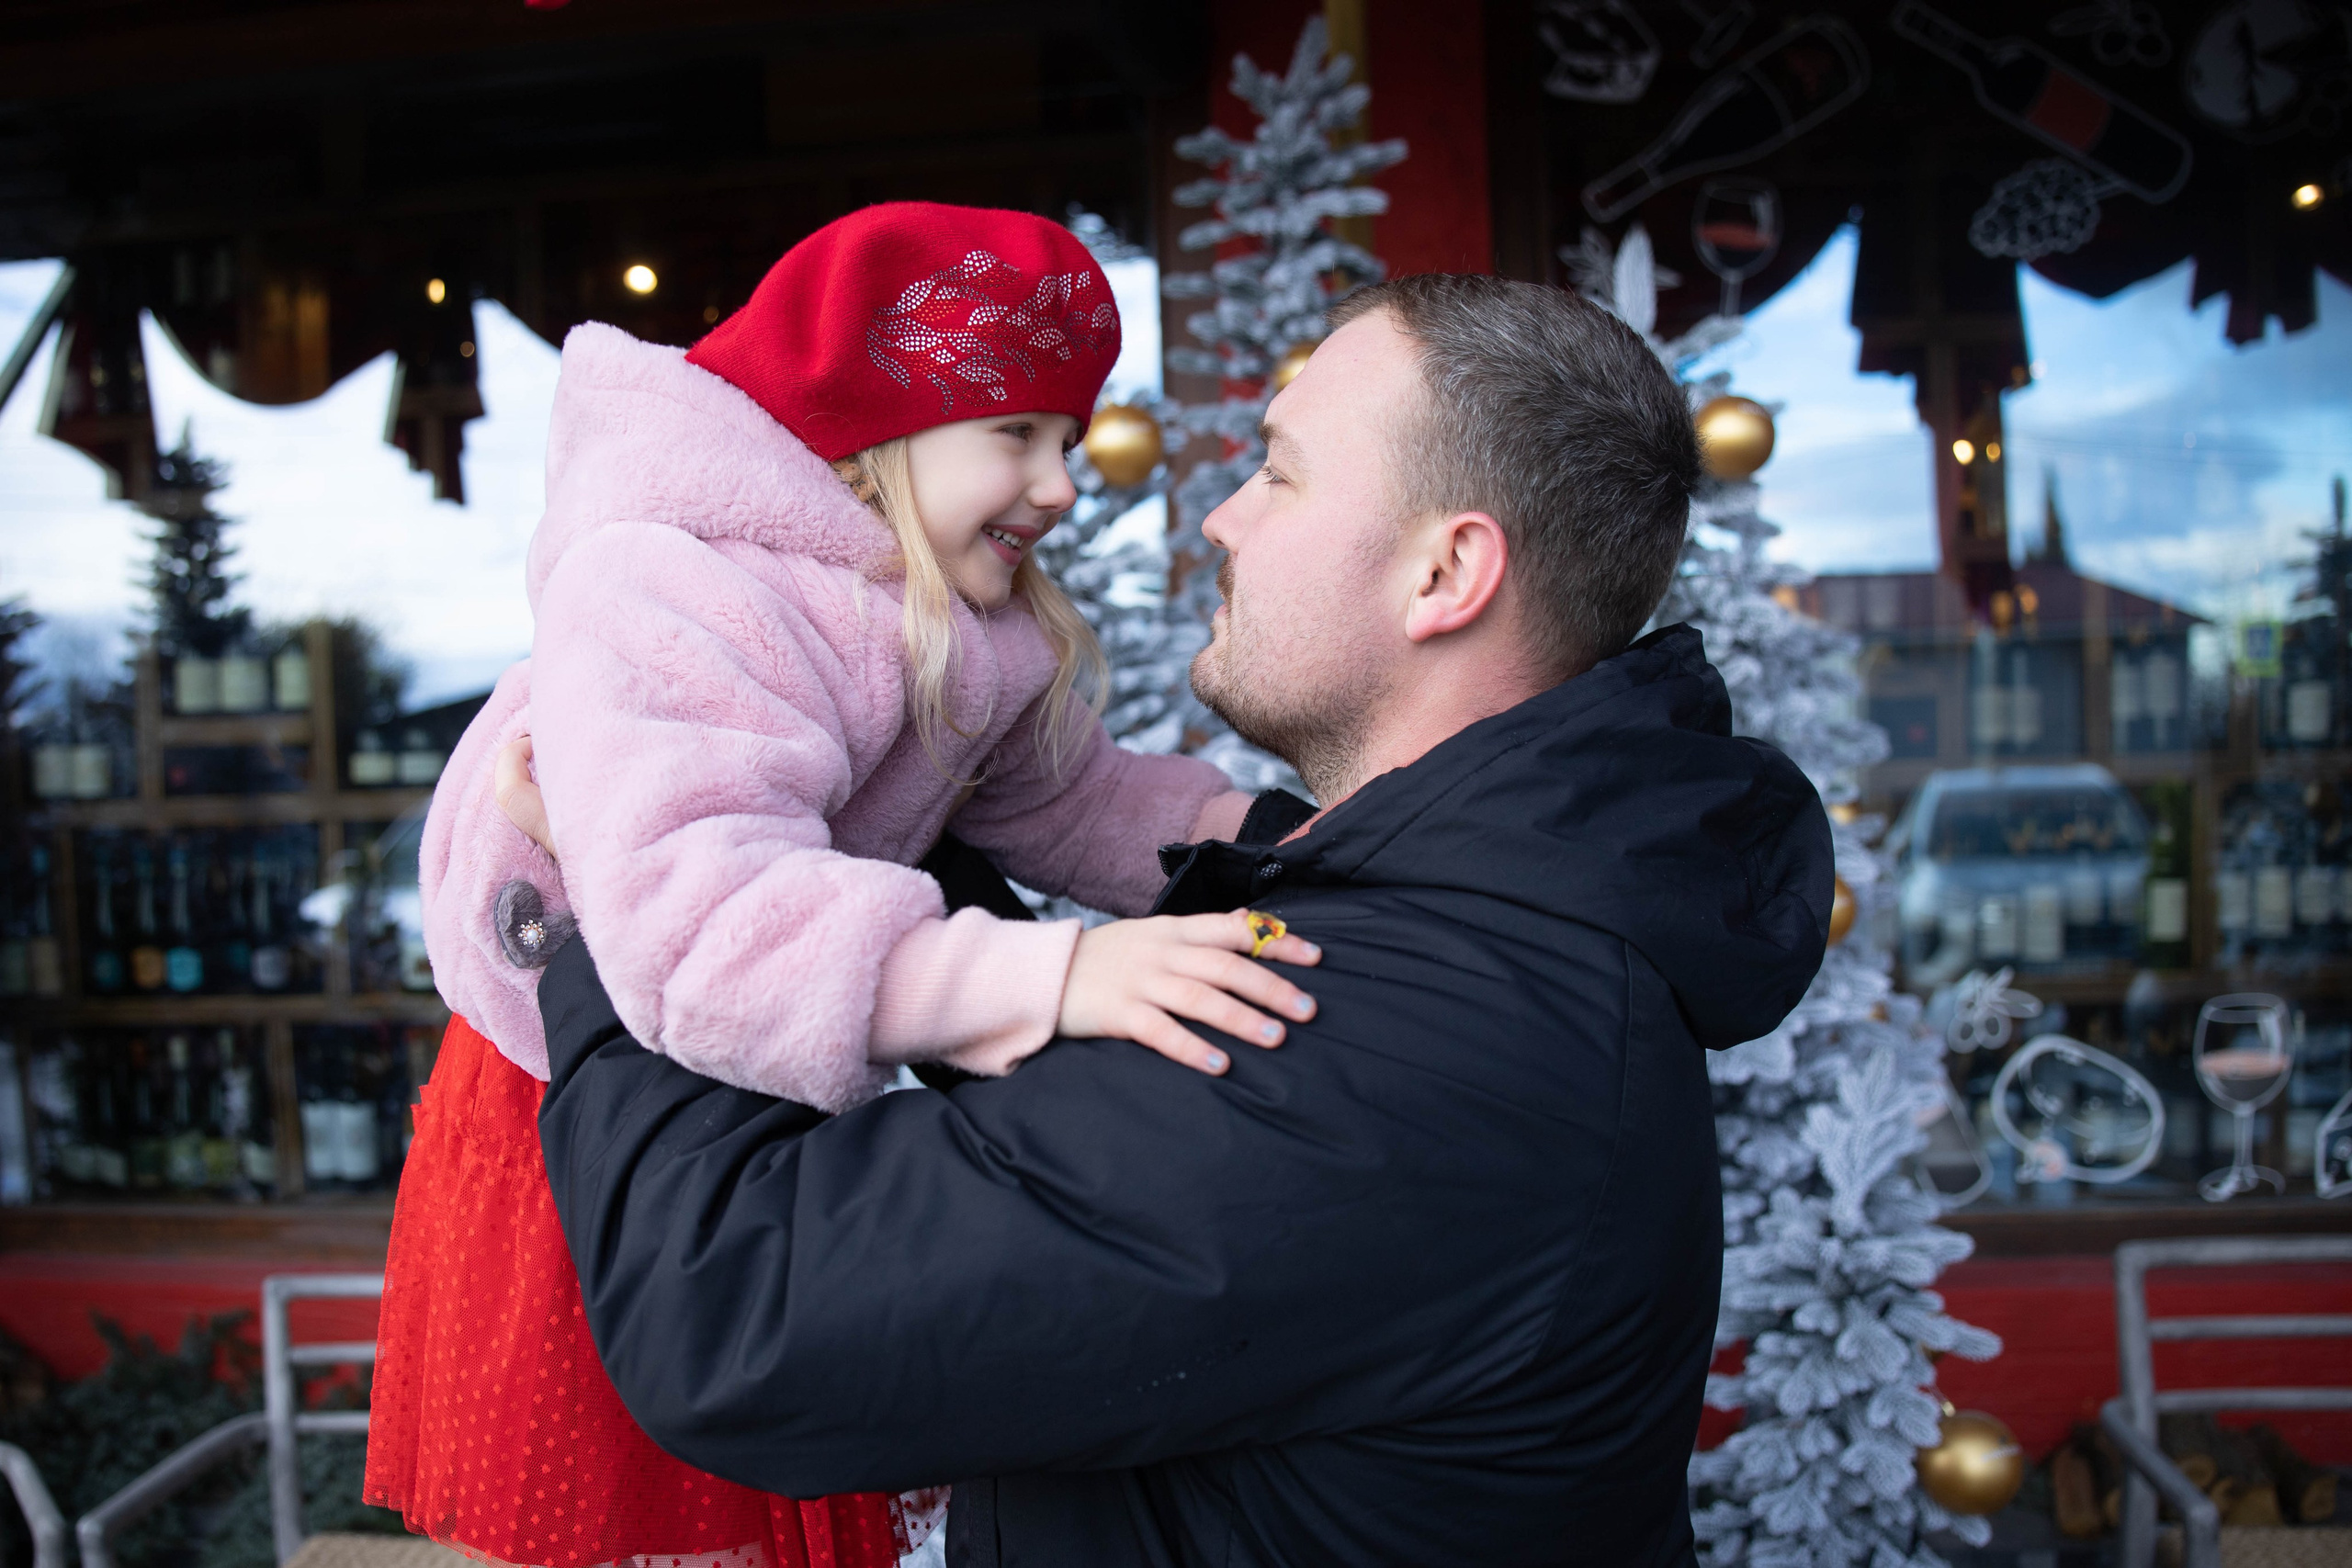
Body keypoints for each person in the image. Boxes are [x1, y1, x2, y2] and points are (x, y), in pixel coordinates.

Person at [526, 273, 1835, 1566]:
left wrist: (613, 892)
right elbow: (1100, 1156)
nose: (1218, 519)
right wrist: (862, 804)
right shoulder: (1459, 932)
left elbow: (742, 1309)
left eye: (1279, 474)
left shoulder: (1399, 1050)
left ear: (1444, 571)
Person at [363, 203, 1327, 1568]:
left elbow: (1072, 799)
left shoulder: (956, 611)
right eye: (1019, 436)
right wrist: (1049, 976)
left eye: (1067, 439)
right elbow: (696, 912)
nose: (1063, 486)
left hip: (762, 1039)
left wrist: (1276, 838)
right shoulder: (675, 586)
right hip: (586, 1101)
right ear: (881, 429)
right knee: (675, 1512)